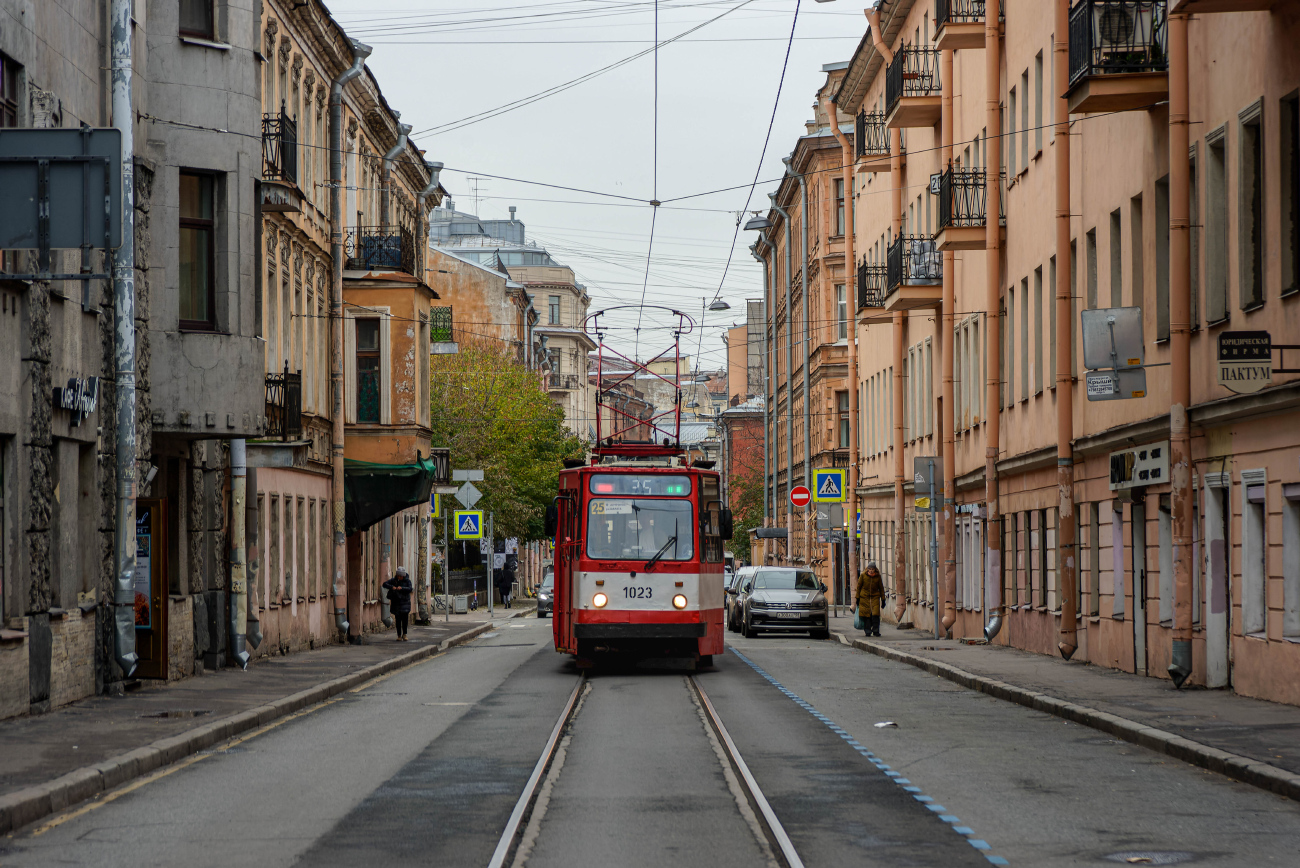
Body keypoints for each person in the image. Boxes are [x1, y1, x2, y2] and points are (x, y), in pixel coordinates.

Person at [383, 567, 414, 641]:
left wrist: (402, 588)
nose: (399, 577)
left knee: (405, 620)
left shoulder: (407, 581)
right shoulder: (394, 580)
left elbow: (410, 589)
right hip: (396, 603)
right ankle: (399, 635)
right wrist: (392, 587)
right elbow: (384, 584)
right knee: (398, 620)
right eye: (398, 576)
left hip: (405, 603)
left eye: (400, 576)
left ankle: (405, 634)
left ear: (403, 576)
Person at [856, 561, 885, 638]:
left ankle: (876, 631)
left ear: (875, 569)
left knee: (875, 615)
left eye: (873, 569)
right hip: (864, 598)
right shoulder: (863, 576)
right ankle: (868, 631)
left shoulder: (878, 576)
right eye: (870, 569)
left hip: (875, 597)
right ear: (867, 569)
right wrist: (857, 598)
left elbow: (881, 588)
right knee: (866, 616)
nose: (871, 570)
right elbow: (858, 587)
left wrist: (883, 599)